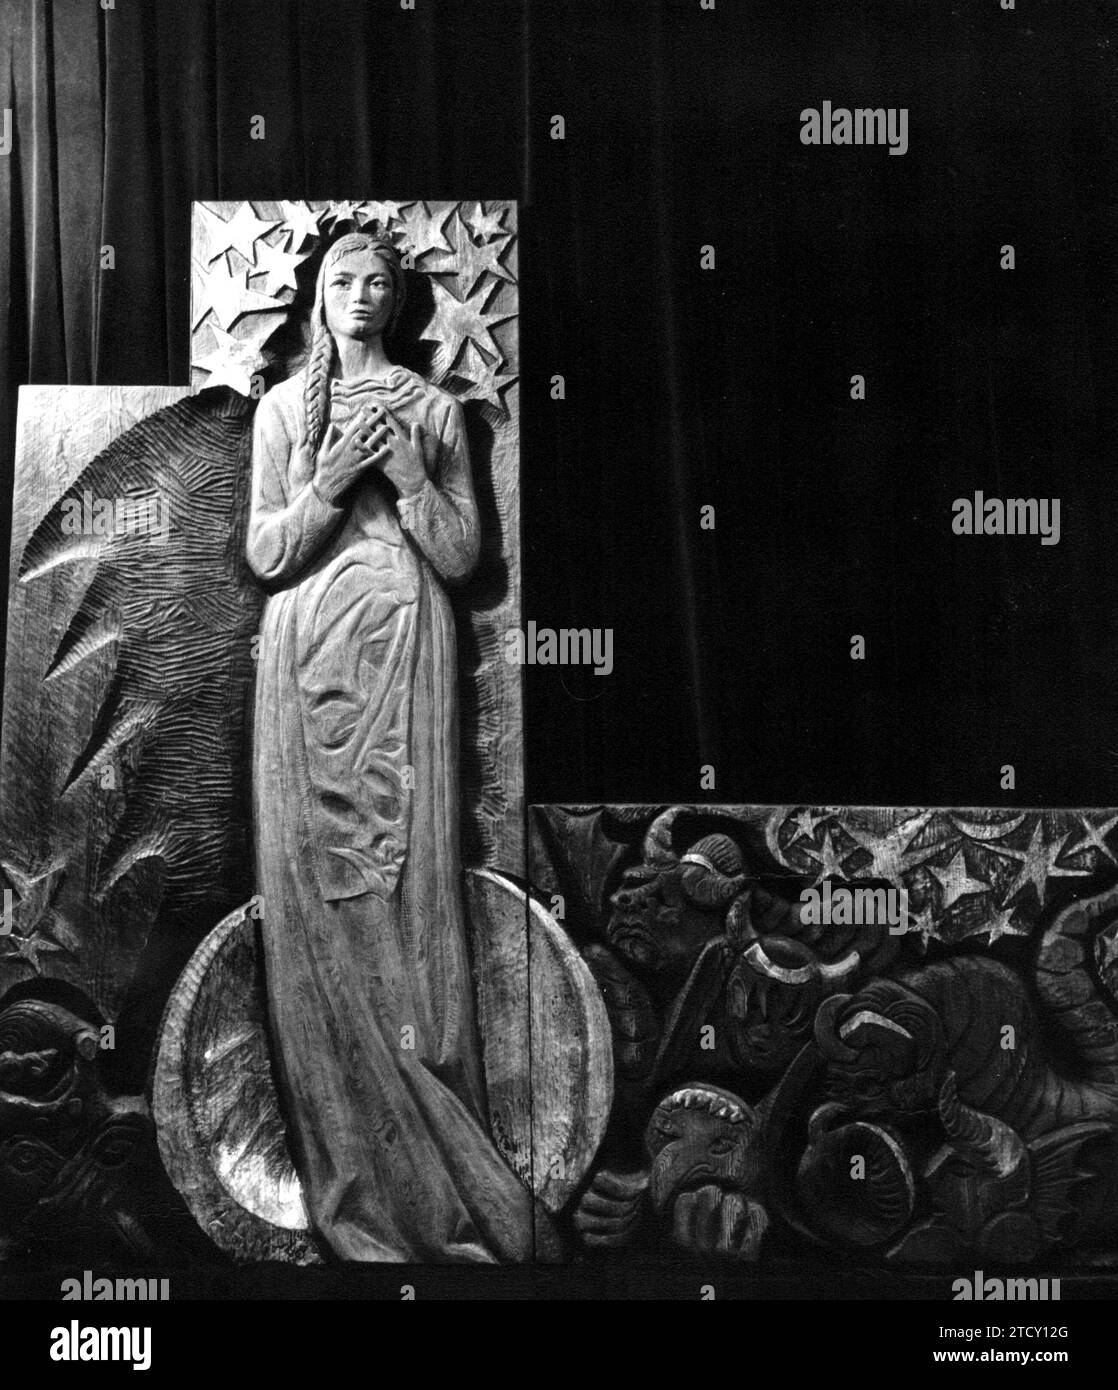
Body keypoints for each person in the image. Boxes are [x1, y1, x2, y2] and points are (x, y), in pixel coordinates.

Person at [246, 230, 534, 1261]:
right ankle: (352, 1176)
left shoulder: (433, 408)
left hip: (403, 650)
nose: (360, 294)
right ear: (315, 295)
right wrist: (324, 481)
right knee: (319, 896)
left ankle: (434, 1169)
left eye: (377, 280)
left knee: (403, 883)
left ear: (400, 296)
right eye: (340, 279)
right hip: (305, 656)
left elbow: (462, 557)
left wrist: (412, 476)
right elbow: (266, 550)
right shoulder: (284, 410)